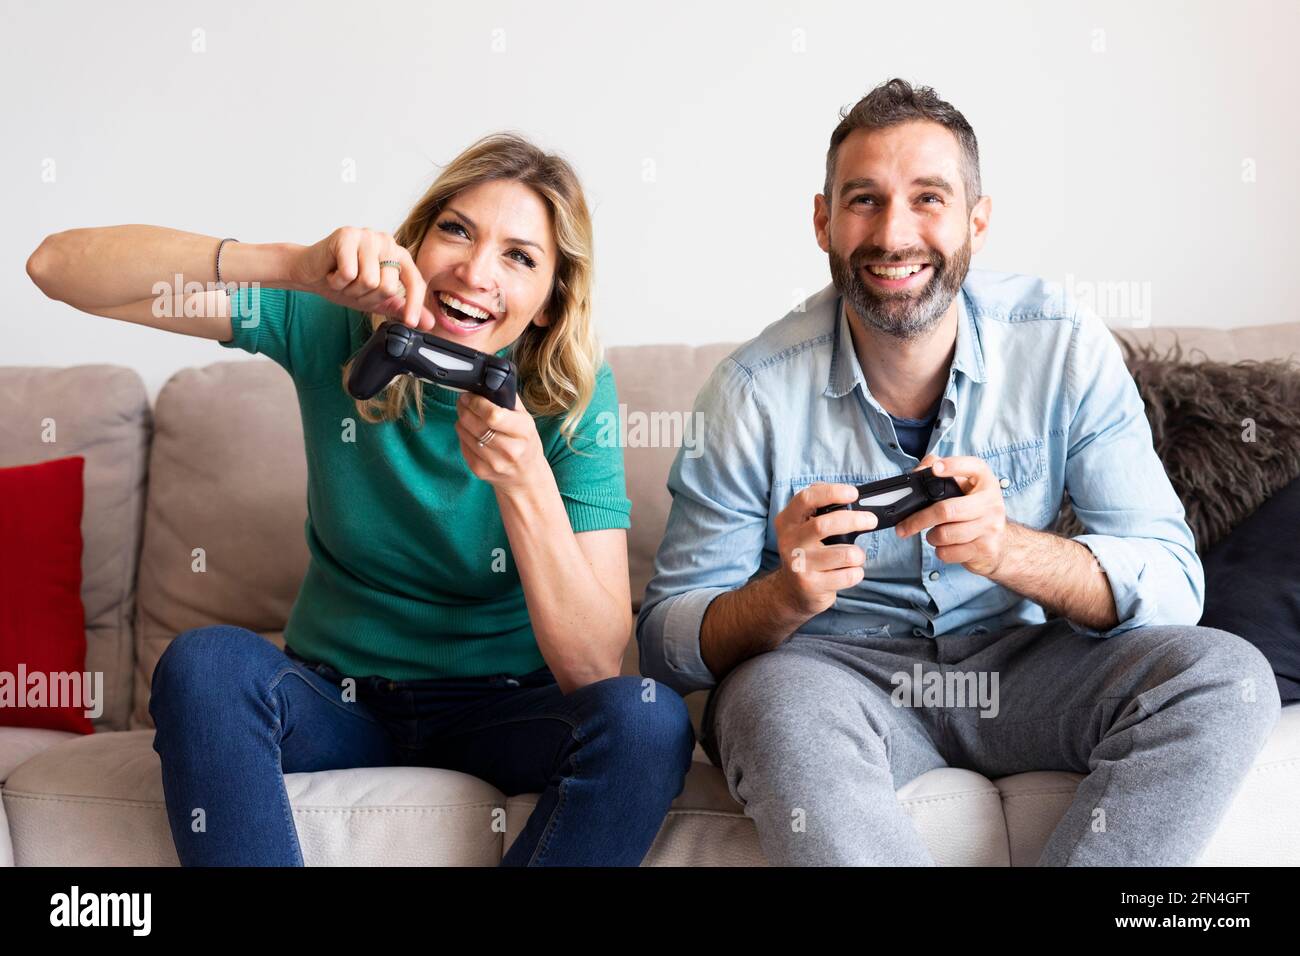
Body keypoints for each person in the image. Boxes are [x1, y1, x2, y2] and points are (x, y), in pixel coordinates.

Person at [635, 79, 1281, 866]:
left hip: (1026, 670)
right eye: (864, 200)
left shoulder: (1063, 345)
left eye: (928, 199)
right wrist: (783, 597)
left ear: (978, 219)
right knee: (769, 701)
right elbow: (667, 641)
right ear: (823, 222)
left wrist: (1009, 550)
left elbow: (1175, 584)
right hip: (838, 679)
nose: (894, 233)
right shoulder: (750, 392)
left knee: (1227, 675)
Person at [27, 132, 695, 866]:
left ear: (546, 303)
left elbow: (596, 670)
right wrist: (289, 266)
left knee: (647, 719)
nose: (476, 271)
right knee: (204, 663)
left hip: (506, 707)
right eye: (456, 231)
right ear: (414, 245)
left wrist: (526, 481)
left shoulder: (575, 395)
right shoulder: (334, 323)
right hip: (336, 700)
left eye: (520, 256)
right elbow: (56, 267)